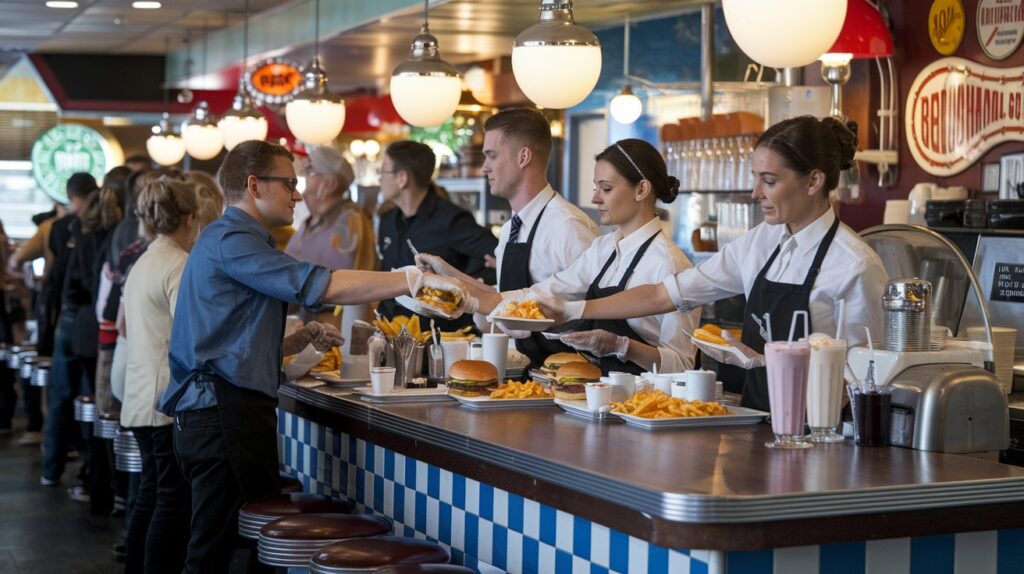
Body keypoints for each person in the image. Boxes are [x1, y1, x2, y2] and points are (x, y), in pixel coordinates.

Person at [158, 140, 468, 573]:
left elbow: (228, 338)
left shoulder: (226, 238)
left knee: (229, 546)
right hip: (221, 412)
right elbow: (320, 286)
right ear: (253, 186)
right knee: (215, 550)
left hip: (219, 409)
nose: (297, 194)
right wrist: (410, 280)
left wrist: (298, 339)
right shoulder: (233, 240)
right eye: (288, 183)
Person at [536, 116, 887, 411]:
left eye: (769, 181)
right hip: (758, 418)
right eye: (755, 177)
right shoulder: (760, 243)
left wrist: (768, 363)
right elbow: (665, 295)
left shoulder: (855, 266)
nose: (755, 193)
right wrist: (573, 309)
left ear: (813, 181)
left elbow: (864, 381)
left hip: (820, 435)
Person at [454, 140, 698, 374]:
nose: (595, 198)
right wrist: (463, 293)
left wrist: (622, 346)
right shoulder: (602, 249)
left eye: (606, 188)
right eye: (596, 188)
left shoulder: (670, 264)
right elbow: (541, 295)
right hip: (592, 395)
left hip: (645, 405)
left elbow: (682, 365)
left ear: (642, 189)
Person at [420, 108, 599, 365]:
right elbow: (505, 300)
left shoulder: (568, 227)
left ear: (523, 157)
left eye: (491, 156)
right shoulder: (511, 229)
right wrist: (445, 273)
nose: (484, 168)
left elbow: (595, 314)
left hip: (565, 378)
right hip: (522, 373)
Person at [120, 178, 201, 574]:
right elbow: (190, 335)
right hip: (164, 399)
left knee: (151, 495)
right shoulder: (177, 264)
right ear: (190, 218)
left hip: (139, 395)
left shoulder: (145, 260)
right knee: (169, 499)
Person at [377, 140, 498, 331]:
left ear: (402, 178)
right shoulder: (388, 221)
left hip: (441, 338)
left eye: (383, 171)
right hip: (392, 331)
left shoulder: (450, 221)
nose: (379, 178)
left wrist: (461, 286)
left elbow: (496, 257)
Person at [40, 172, 99, 488]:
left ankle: (51, 469)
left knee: (62, 396)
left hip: (67, 316)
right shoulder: (102, 227)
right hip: (91, 319)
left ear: (70, 194)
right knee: (92, 396)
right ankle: (90, 473)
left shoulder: (60, 228)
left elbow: (54, 273)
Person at [285, 146, 376, 328]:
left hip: (335, 328)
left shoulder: (352, 221)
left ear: (329, 183)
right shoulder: (309, 222)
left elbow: (360, 280)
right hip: (304, 324)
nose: (302, 176)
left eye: (310, 170)